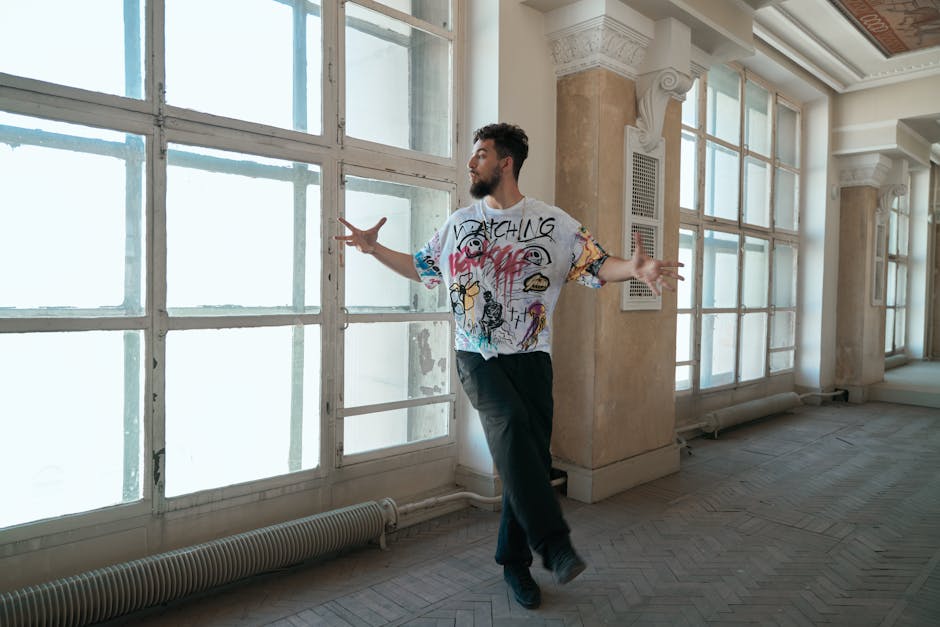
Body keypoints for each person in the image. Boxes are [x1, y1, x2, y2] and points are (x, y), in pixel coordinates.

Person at [336, 123, 683, 610]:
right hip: (477, 356)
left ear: (506, 163)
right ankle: (554, 545)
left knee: (529, 461)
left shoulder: (553, 222)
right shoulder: (460, 223)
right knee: (513, 426)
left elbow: (594, 263)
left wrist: (636, 269)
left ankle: (514, 564)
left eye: (480, 154)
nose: (471, 162)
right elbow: (423, 266)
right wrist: (374, 250)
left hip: (533, 357)